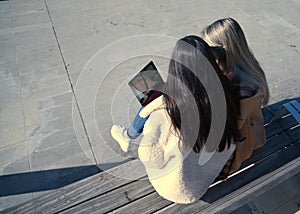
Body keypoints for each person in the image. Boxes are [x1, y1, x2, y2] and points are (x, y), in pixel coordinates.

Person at [115, 35, 241, 203]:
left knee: (154, 96)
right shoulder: (226, 90)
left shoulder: (166, 112)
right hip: (205, 177)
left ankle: (128, 135)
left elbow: (147, 153)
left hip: (178, 189)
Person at [201, 17, 270, 178]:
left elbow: (225, 134)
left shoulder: (241, 89)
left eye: (208, 49)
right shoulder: (246, 64)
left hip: (236, 151)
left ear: (223, 48)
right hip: (251, 128)